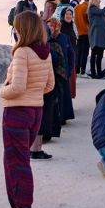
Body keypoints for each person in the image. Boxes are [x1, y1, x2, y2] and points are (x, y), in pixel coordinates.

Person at [0, 11, 55, 208]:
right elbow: (49, 86)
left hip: (17, 112)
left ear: (22, 29)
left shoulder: (22, 52)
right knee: (21, 160)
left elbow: (17, 87)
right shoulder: (45, 52)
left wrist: (2, 91)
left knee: (16, 162)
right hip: (35, 111)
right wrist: (35, 93)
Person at [36, 18, 65, 153]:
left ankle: (46, 135)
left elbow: (59, 59)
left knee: (51, 109)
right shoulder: (36, 47)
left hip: (52, 80)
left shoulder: (53, 45)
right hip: (41, 82)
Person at [87, 0, 105, 79]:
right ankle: (94, 73)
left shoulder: (97, 9)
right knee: (95, 54)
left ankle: (98, 72)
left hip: (100, 35)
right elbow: (102, 12)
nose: (100, 0)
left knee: (100, 54)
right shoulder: (92, 8)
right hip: (96, 35)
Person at [60, 6, 79, 101]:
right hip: (64, 58)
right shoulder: (61, 27)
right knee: (66, 82)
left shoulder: (72, 26)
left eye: (70, 14)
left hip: (72, 58)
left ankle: (69, 104)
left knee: (71, 83)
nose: (68, 16)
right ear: (63, 15)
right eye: (66, 14)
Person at [74, 0, 91, 76]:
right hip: (86, 32)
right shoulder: (87, 8)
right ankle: (83, 71)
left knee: (79, 52)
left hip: (79, 33)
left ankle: (77, 70)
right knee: (85, 52)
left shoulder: (76, 7)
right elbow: (88, 20)